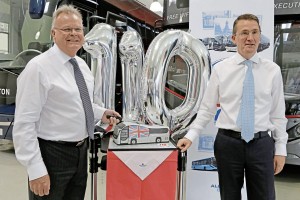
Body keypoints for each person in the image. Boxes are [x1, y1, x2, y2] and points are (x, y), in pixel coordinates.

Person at [13, 5, 120, 200]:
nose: (73, 34)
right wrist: (36, 169)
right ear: (53, 33)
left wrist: (100, 113)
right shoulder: (38, 68)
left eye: (78, 29)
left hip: (81, 152)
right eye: (67, 29)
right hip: (52, 155)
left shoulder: (82, 66)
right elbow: (24, 123)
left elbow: (80, 103)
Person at [177, 14, 288, 200]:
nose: (250, 38)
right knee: (229, 196)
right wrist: (191, 136)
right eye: (244, 33)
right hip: (228, 144)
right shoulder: (221, 69)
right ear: (234, 38)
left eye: (255, 32)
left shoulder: (273, 71)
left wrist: (281, 149)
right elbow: (207, 108)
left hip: (261, 144)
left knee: (265, 196)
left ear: (260, 36)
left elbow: (277, 114)